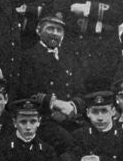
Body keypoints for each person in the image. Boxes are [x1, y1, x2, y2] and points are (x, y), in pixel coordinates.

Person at [15, 11, 87, 152]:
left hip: (70, 118)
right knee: (67, 143)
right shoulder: (29, 57)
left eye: (59, 30)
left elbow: (80, 90)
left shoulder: (69, 58)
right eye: (50, 28)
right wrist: (54, 104)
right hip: (44, 119)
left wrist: (72, 106)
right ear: (38, 30)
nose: (55, 33)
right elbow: (25, 92)